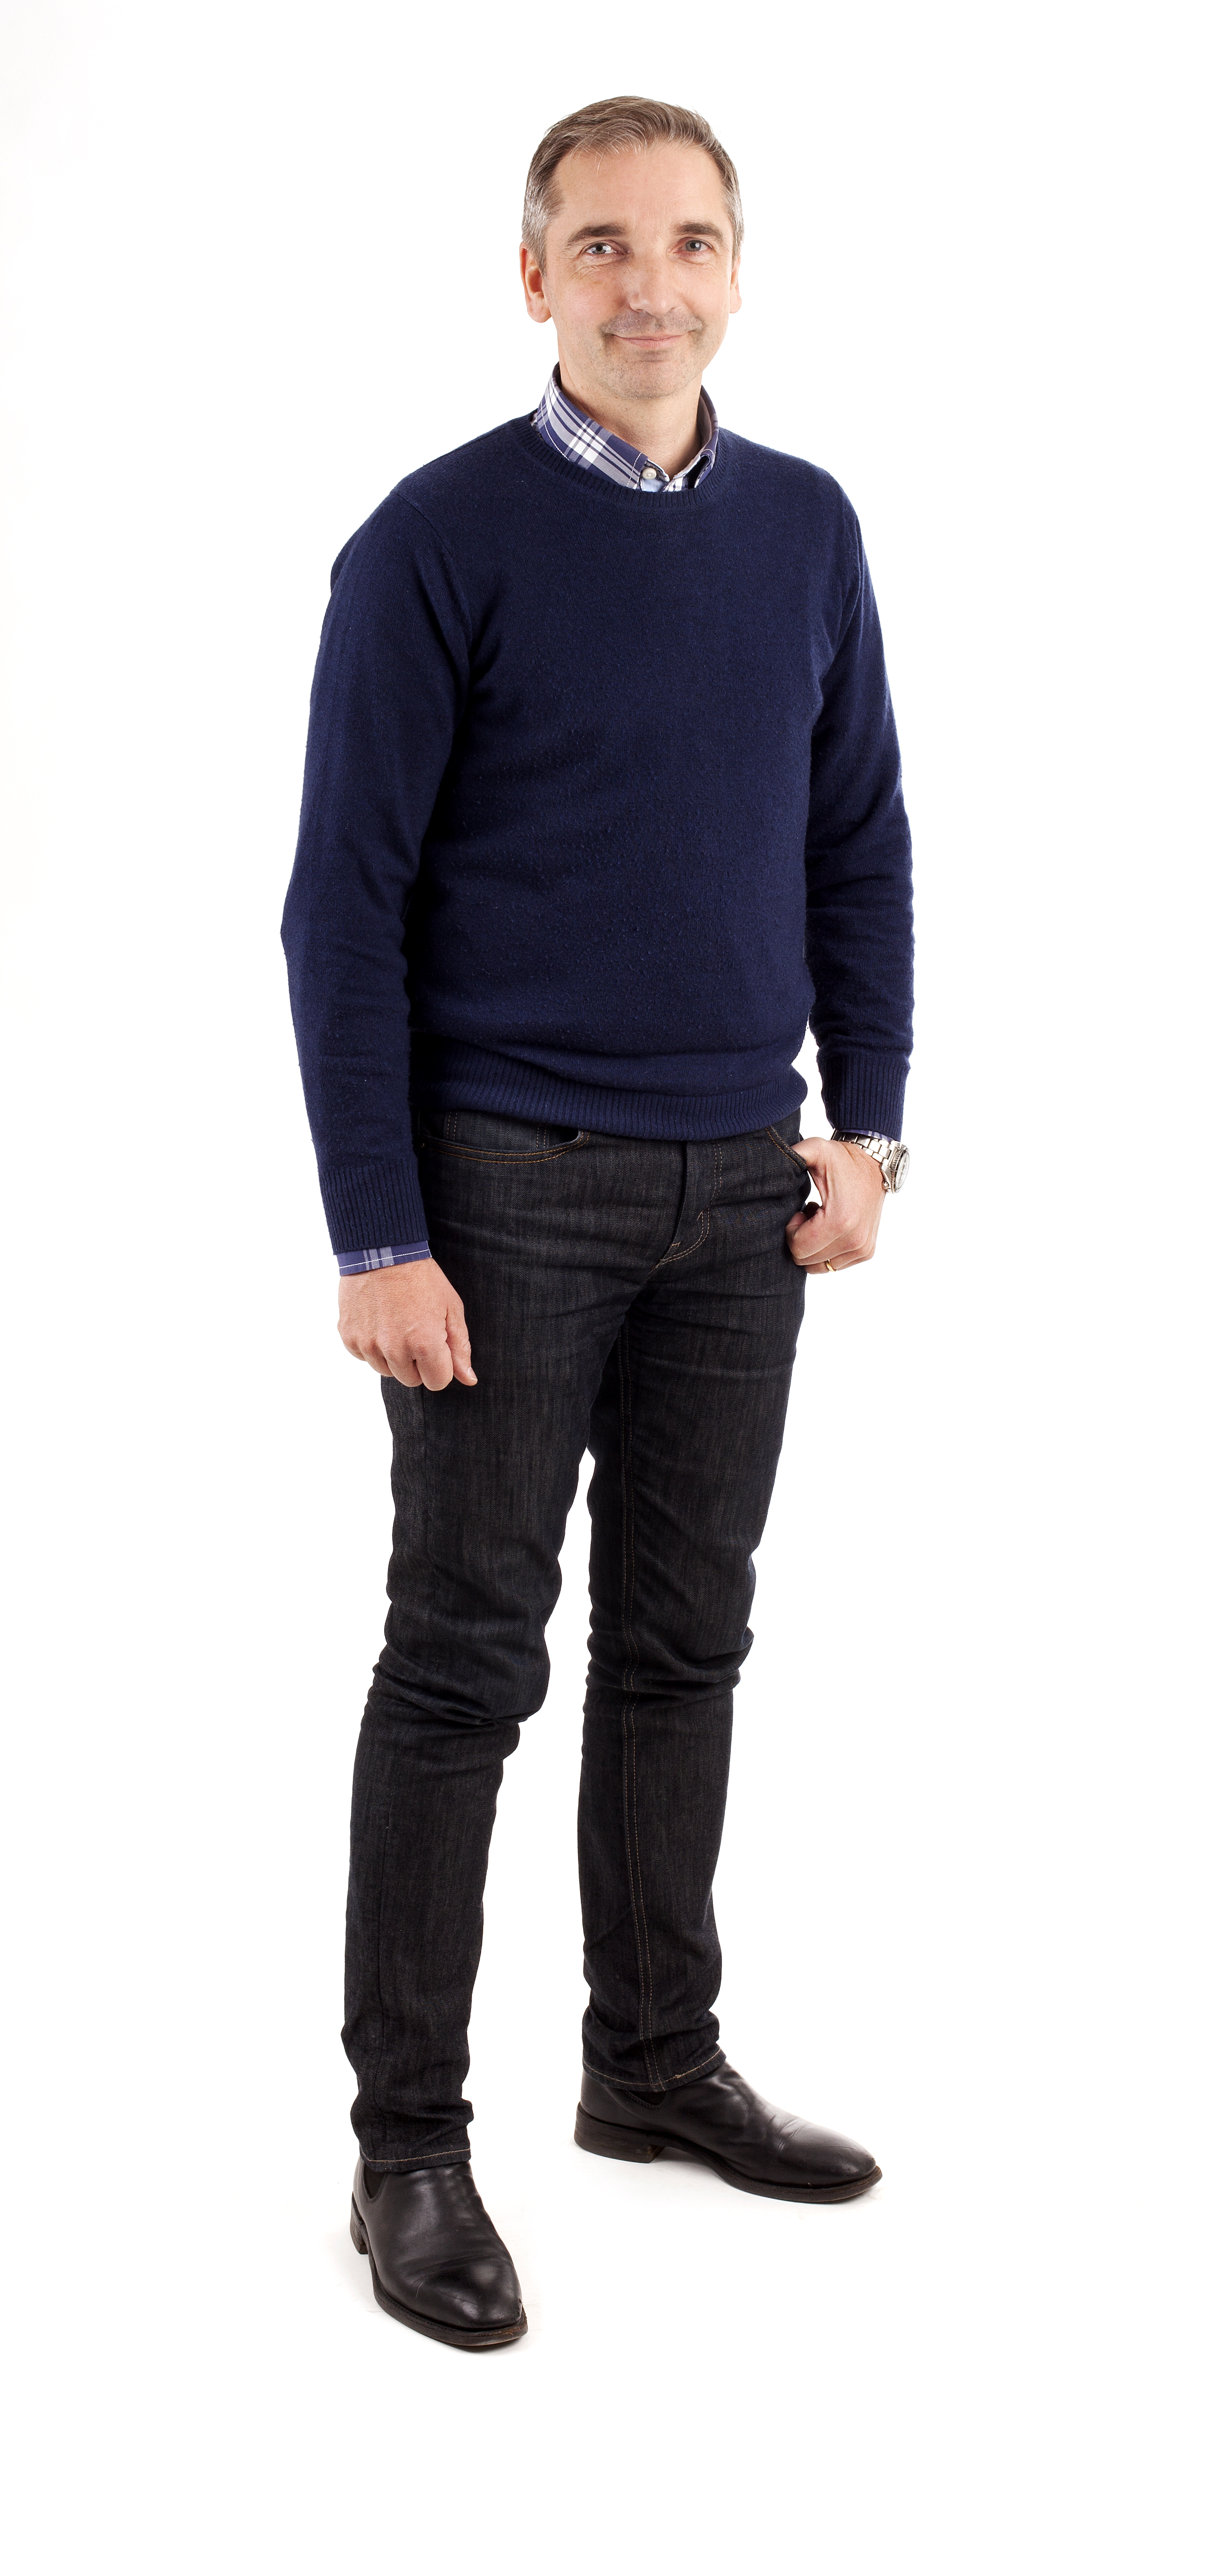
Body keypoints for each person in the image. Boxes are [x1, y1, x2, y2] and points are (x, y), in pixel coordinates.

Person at [282, 94, 914, 2351]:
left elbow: (858, 838)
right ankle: (408, 2150)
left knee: (684, 1647)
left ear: (737, 267)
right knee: (465, 1660)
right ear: (533, 276)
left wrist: (869, 1127)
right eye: (606, 244)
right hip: (503, 1189)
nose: (654, 283)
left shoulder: (807, 527)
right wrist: (378, 1229)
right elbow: (342, 910)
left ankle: (650, 2061)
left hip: (741, 1188)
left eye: (693, 240)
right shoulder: (433, 540)